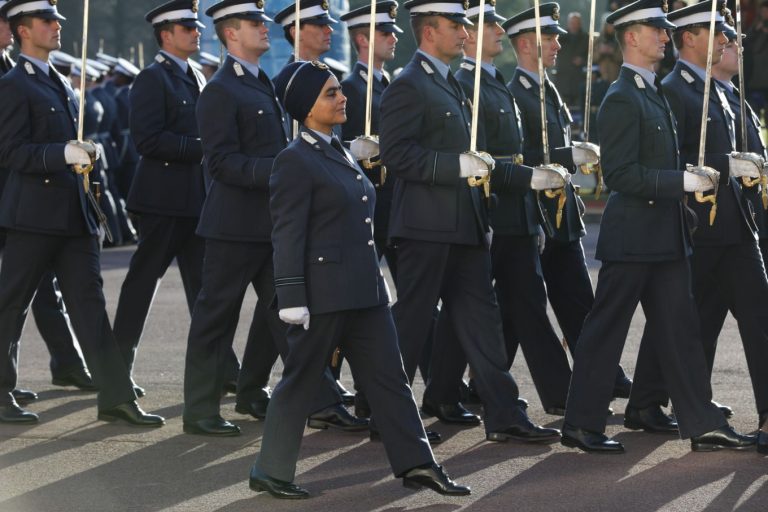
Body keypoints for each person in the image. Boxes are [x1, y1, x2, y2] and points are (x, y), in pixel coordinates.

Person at [249, 60, 470, 499]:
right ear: (306, 108)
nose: (342, 97)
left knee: (390, 380)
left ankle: (418, 464)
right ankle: (270, 470)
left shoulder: (338, 149)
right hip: (322, 294)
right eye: (330, 93)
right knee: (299, 382)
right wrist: (292, 295)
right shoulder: (294, 160)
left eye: (338, 90)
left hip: (363, 292)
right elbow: (287, 232)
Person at [561, 0, 755, 454]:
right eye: (656, 31)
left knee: (682, 330)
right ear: (631, 37)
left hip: (664, 235)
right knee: (605, 330)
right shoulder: (622, 96)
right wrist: (681, 181)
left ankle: (702, 422)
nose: (666, 37)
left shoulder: (649, 91)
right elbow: (622, 175)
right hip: (633, 238)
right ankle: (580, 423)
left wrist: (696, 175)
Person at [379, 0, 561, 443]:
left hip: (467, 226)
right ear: (428, 32)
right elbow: (398, 156)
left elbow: (479, 160)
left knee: (482, 325)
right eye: (455, 25)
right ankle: (385, 416)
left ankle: (505, 414)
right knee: (412, 326)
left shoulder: (451, 85)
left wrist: (530, 178)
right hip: (425, 229)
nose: (465, 33)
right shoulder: (409, 85)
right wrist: (455, 168)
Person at [183, 0, 366, 436]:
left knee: (292, 317)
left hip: (269, 223)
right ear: (230, 34)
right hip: (233, 226)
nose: (264, 29)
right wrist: (285, 169)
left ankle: (320, 399)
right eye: (253, 23)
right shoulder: (221, 89)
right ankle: (200, 410)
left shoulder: (262, 82)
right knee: (216, 318)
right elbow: (222, 163)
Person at [0, 0, 163, 427]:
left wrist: (81, 152)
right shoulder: (15, 84)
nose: (57, 26)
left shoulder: (59, 80)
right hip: (32, 216)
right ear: (22, 30)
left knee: (90, 307)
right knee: (11, 307)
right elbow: (10, 151)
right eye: (47, 21)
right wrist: (60, 153)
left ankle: (115, 395)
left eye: (57, 20)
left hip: (72, 215)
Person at [628, 0, 768, 432]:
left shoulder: (721, 91)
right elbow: (669, 159)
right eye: (719, 34)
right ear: (690, 38)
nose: (728, 40)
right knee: (683, 319)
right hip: (698, 224)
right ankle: (648, 402)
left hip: (735, 226)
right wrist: (728, 167)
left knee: (752, 315)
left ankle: (748, 411)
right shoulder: (676, 90)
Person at [445, 0, 573, 416]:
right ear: (467, 34)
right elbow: (478, 158)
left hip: (516, 212)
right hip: (491, 211)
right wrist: (526, 182)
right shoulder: (467, 85)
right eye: (489, 26)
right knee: (469, 310)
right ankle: (443, 390)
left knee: (523, 303)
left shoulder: (494, 81)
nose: (498, 32)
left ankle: (559, 394)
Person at [506, 3, 632, 408]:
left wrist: (572, 152)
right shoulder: (515, 94)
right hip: (533, 212)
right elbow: (522, 155)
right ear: (527, 44)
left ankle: (603, 374)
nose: (559, 43)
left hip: (560, 211)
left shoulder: (548, 86)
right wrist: (567, 156)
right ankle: (469, 386)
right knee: (519, 309)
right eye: (550, 37)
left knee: (578, 300)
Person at [112, 0, 234, 396]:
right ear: (166, 34)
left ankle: (224, 368)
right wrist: (203, 147)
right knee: (141, 287)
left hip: (195, 202)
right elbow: (148, 140)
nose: (196, 31)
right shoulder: (153, 78)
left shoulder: (196, 74)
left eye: (196, 25)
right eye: (187, 27)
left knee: (206, 291)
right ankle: (116, 373)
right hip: (162, 201)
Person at [0, 2, 95, 401]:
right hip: (14, 186)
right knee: (14, 294)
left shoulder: (17, 66)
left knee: (38, 287)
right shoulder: (13, 74)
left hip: (26, 193)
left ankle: (66, 364)